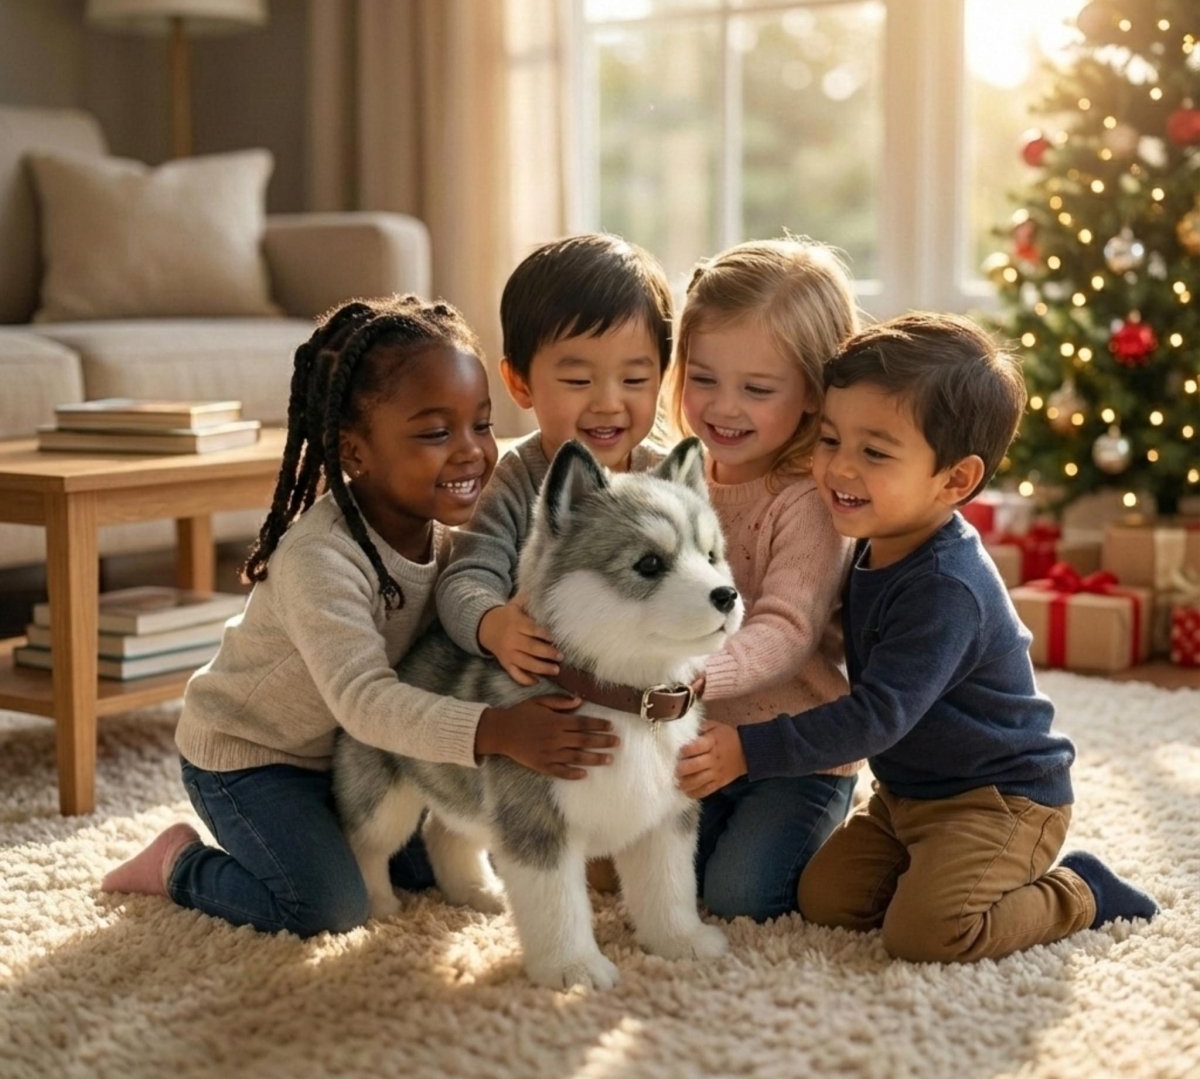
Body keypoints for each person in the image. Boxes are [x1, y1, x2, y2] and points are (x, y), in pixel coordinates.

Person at [102, 294, 618, 937]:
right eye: (435, 432)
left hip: (363, 760)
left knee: (435, 859)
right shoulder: (321, 559)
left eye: (482, 425)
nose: (471, 452)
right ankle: (177, 864)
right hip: (257, 760)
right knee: (327, 908)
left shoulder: (453, 542)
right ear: (353, 452)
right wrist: (499, 730)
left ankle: (346, 836)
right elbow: (365, 701)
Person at [677, 312, 1158, 961]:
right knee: (826, 902)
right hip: (906, 797)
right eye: (829, 440)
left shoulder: (945, 586)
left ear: (955, 480)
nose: (839, 469)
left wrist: (749, 750)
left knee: (928, 935)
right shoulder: (873, 542)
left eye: (874, 452)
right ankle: (933, 869)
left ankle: (1084, 891)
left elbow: (878, 716)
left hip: (999, 799)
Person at [668, 238, 864, 922]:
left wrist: (695, 675)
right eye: (703, 378)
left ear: (812, 393)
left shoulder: (806, 500)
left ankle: (844, 824)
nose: (723, 407)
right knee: (629, 877)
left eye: (757, 389)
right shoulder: (679, 475)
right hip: (701, 746)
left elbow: (786, 626)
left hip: (794, 750)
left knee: (740, 897)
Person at [434, 233, 674, 684]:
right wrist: (493, 624)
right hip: (548, 689)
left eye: (635, 379)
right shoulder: (512, 481)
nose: (608, 402)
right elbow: (464, 577)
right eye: (579, 381)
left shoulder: (665, 480)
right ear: (520, 383)